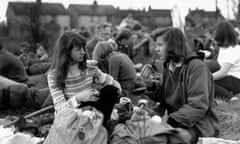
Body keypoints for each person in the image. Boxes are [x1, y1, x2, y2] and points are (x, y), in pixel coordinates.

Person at [145, 27, 219, 144]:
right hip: (174, 118)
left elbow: (198, 106)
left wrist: (170, 121)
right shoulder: (168, 66)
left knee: (175, 138)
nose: (156, 49)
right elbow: (166, 98)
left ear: (173, 45)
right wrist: (151, 85)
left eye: (160, 45)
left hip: (198, 124)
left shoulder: (196, 67)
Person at [47, 30, 121, 125]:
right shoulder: (54, 75)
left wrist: (101, 77)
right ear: (66, 52)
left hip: (92, 112)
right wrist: (78, 98)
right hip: (72, 116)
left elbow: (118, 89)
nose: (83, 52)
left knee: (110, 91)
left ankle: (99, 128)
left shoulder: (88, 68)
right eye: (78, 49)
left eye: (83, 48)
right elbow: (60, 109)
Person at [213, 21, 240, 101]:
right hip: (228, 76)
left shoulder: (233, 50)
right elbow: (219, 64)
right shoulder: (223, 48)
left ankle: (230, 97)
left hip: (236, 80)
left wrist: (207, 77)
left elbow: (223, 73)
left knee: (208, 83)